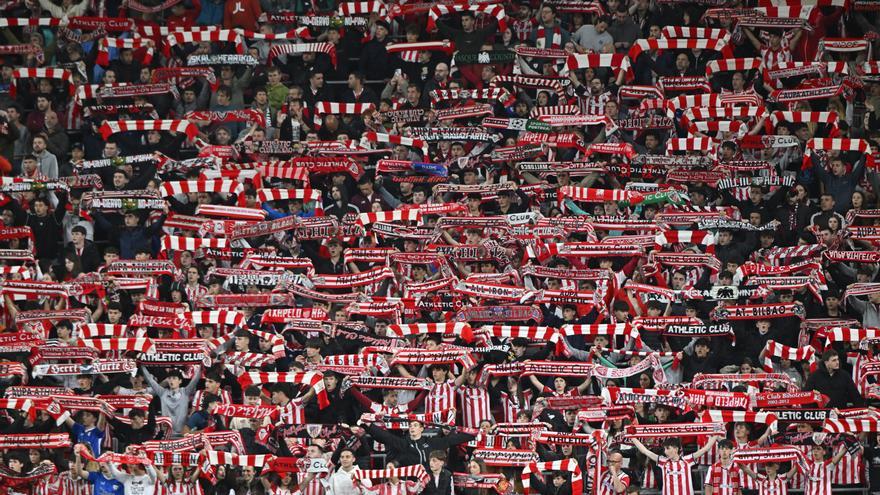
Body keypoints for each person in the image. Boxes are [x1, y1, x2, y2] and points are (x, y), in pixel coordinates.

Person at [631, 436, 721, 495]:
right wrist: (632, 437)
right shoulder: (663, 461)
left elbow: (706, 449)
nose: (665, 451)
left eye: (667, 448)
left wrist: (716, 434)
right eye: (664, 449)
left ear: (676, 449)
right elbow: (645, 451)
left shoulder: (687, 460)